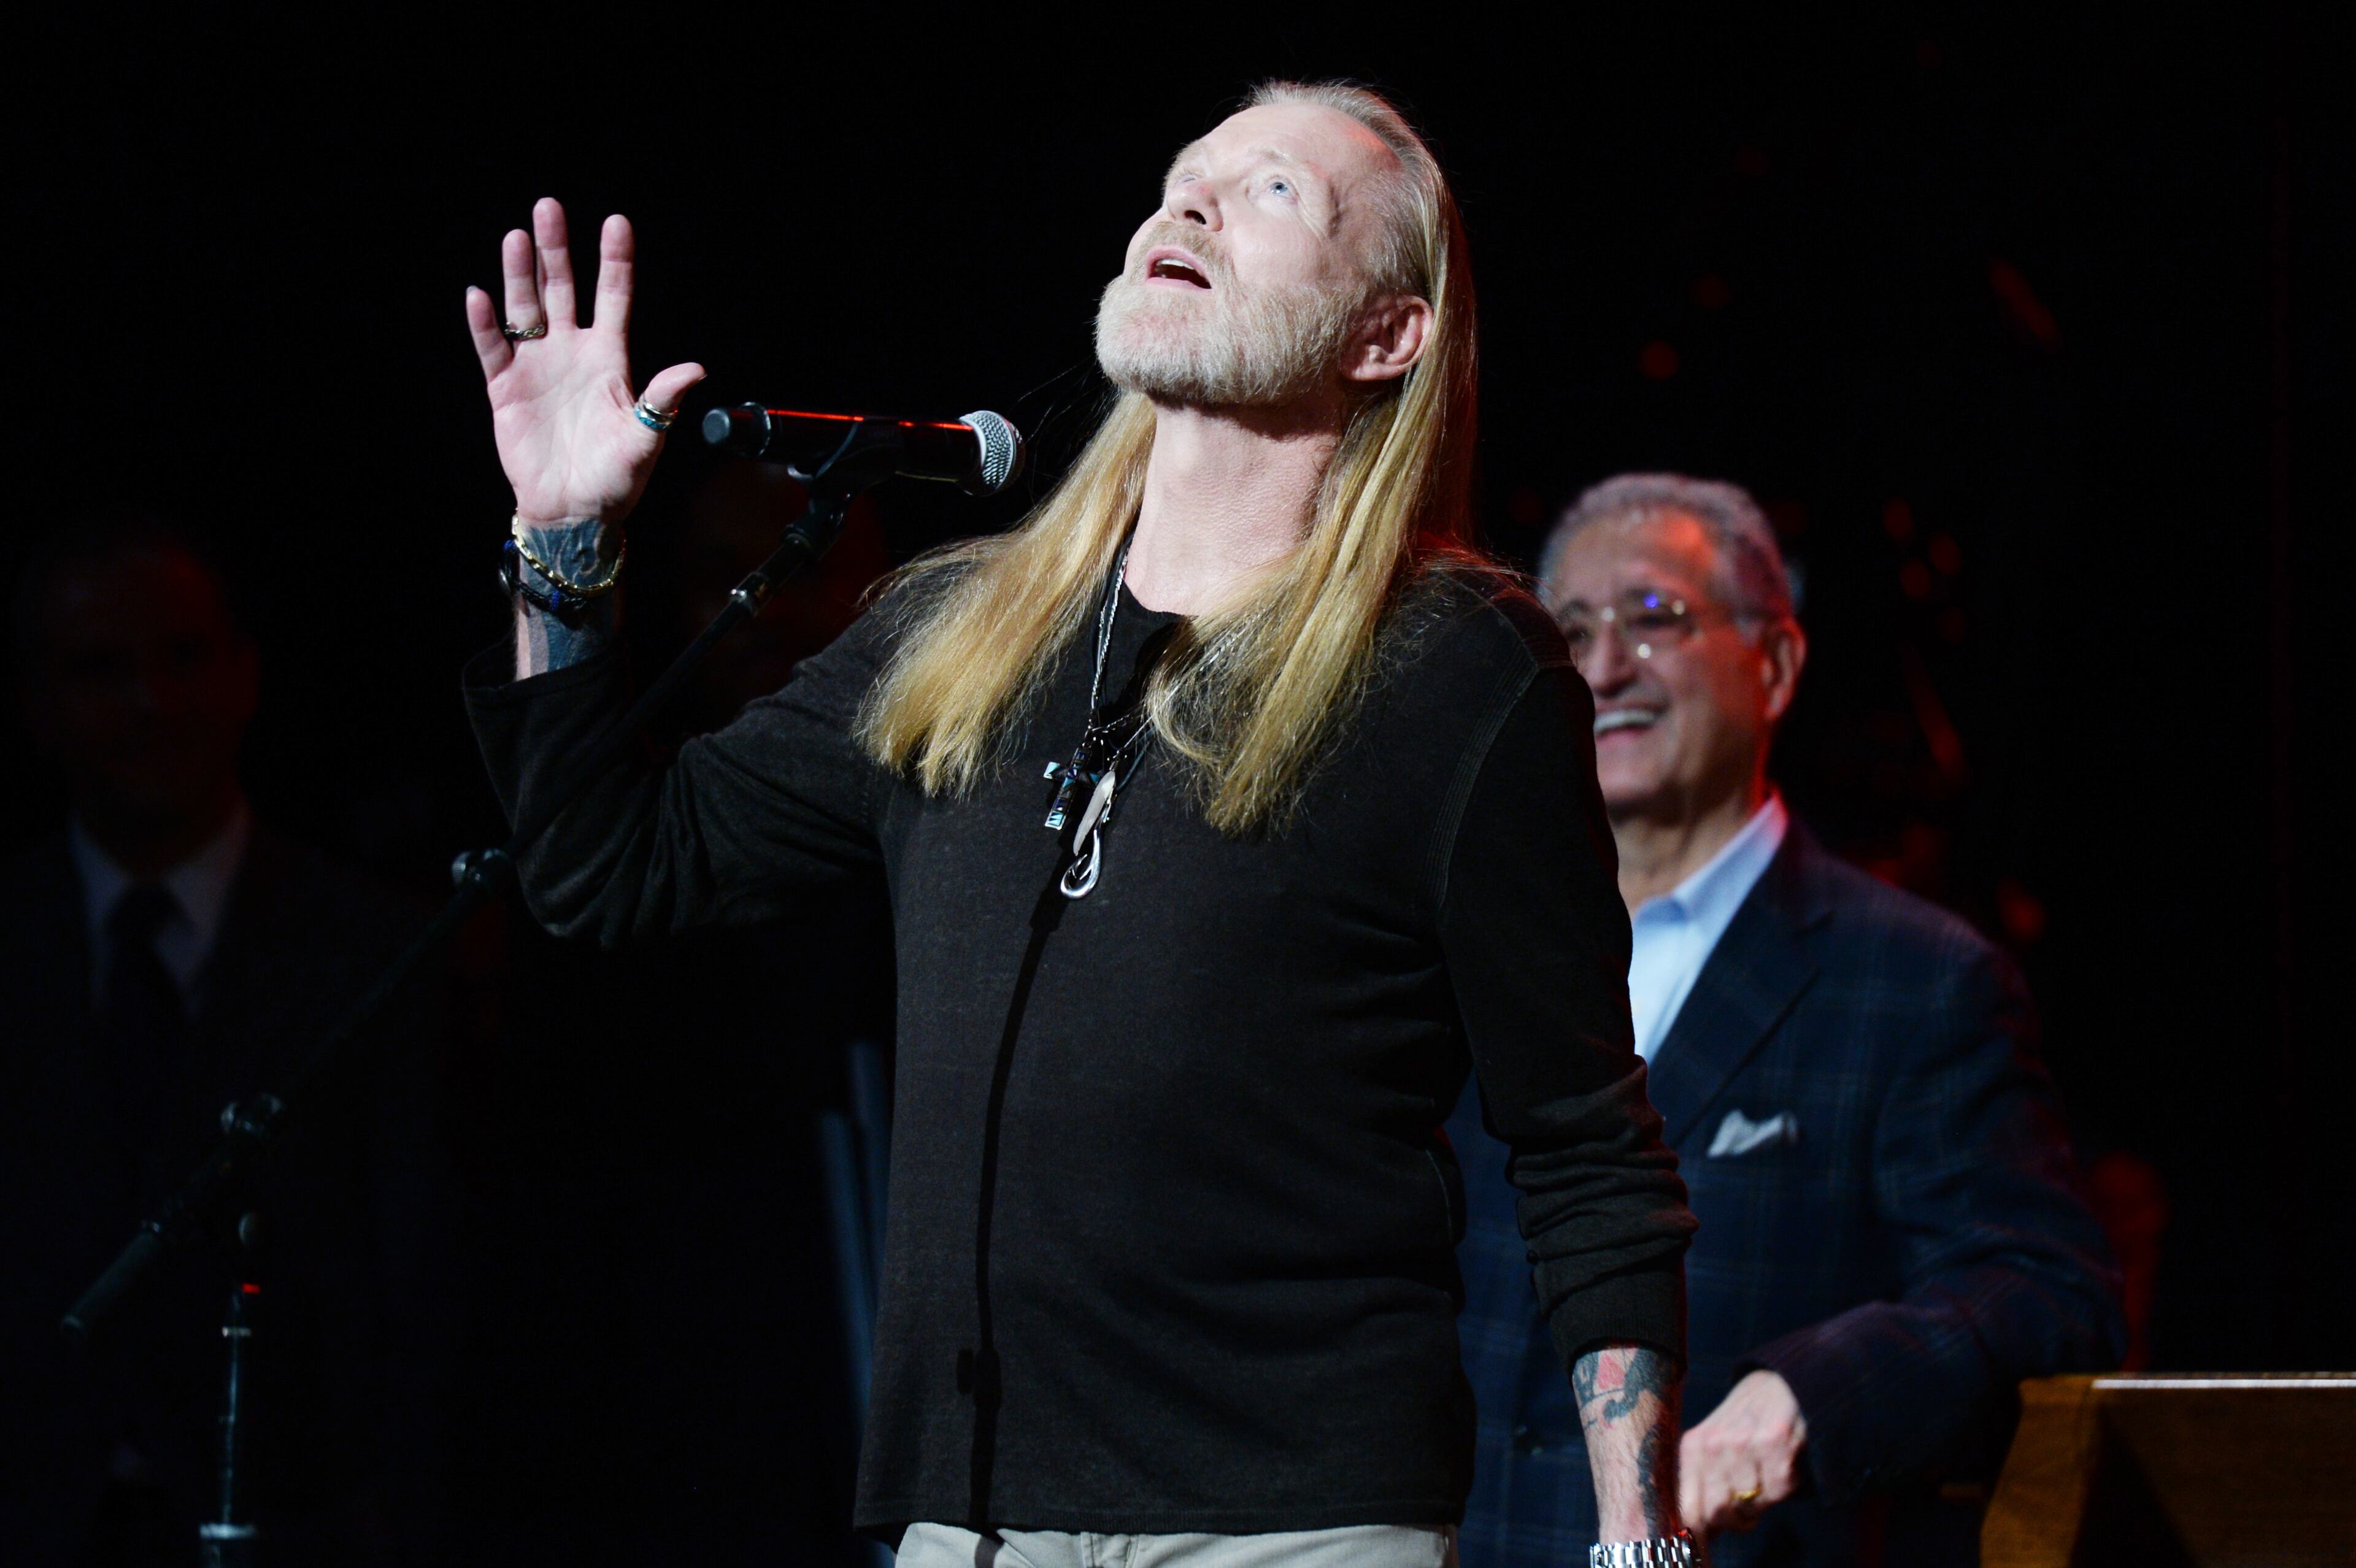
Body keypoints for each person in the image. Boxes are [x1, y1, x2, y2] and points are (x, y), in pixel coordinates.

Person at [460, 83, 1698, 1566]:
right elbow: (610, 871)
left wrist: (1638, 1535)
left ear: (1387, 336)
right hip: (968, 1506)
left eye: (1272, 195)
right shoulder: (962, 630)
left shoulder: (1451, 669)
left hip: (1293, 1515)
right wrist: (561, 543)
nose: (1190, 208)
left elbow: (1577, 1139)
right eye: (1184, 181)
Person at [1446, 475, 2123, 1568]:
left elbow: (2046, 1292)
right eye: (1572, 629)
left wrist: (1805, 1393)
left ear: (1776, 664)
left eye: (1655, 618)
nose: (1607, 666)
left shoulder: (1916, 984)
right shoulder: (1466, 956)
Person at [0, 518, 452, 1566]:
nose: (150, 704)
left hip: (304, 1530)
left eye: (182, 657)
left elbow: (419, 1288)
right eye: (98, 670)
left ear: (246, 675)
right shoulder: (13, 942)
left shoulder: (378, 951)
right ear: (32, 706)